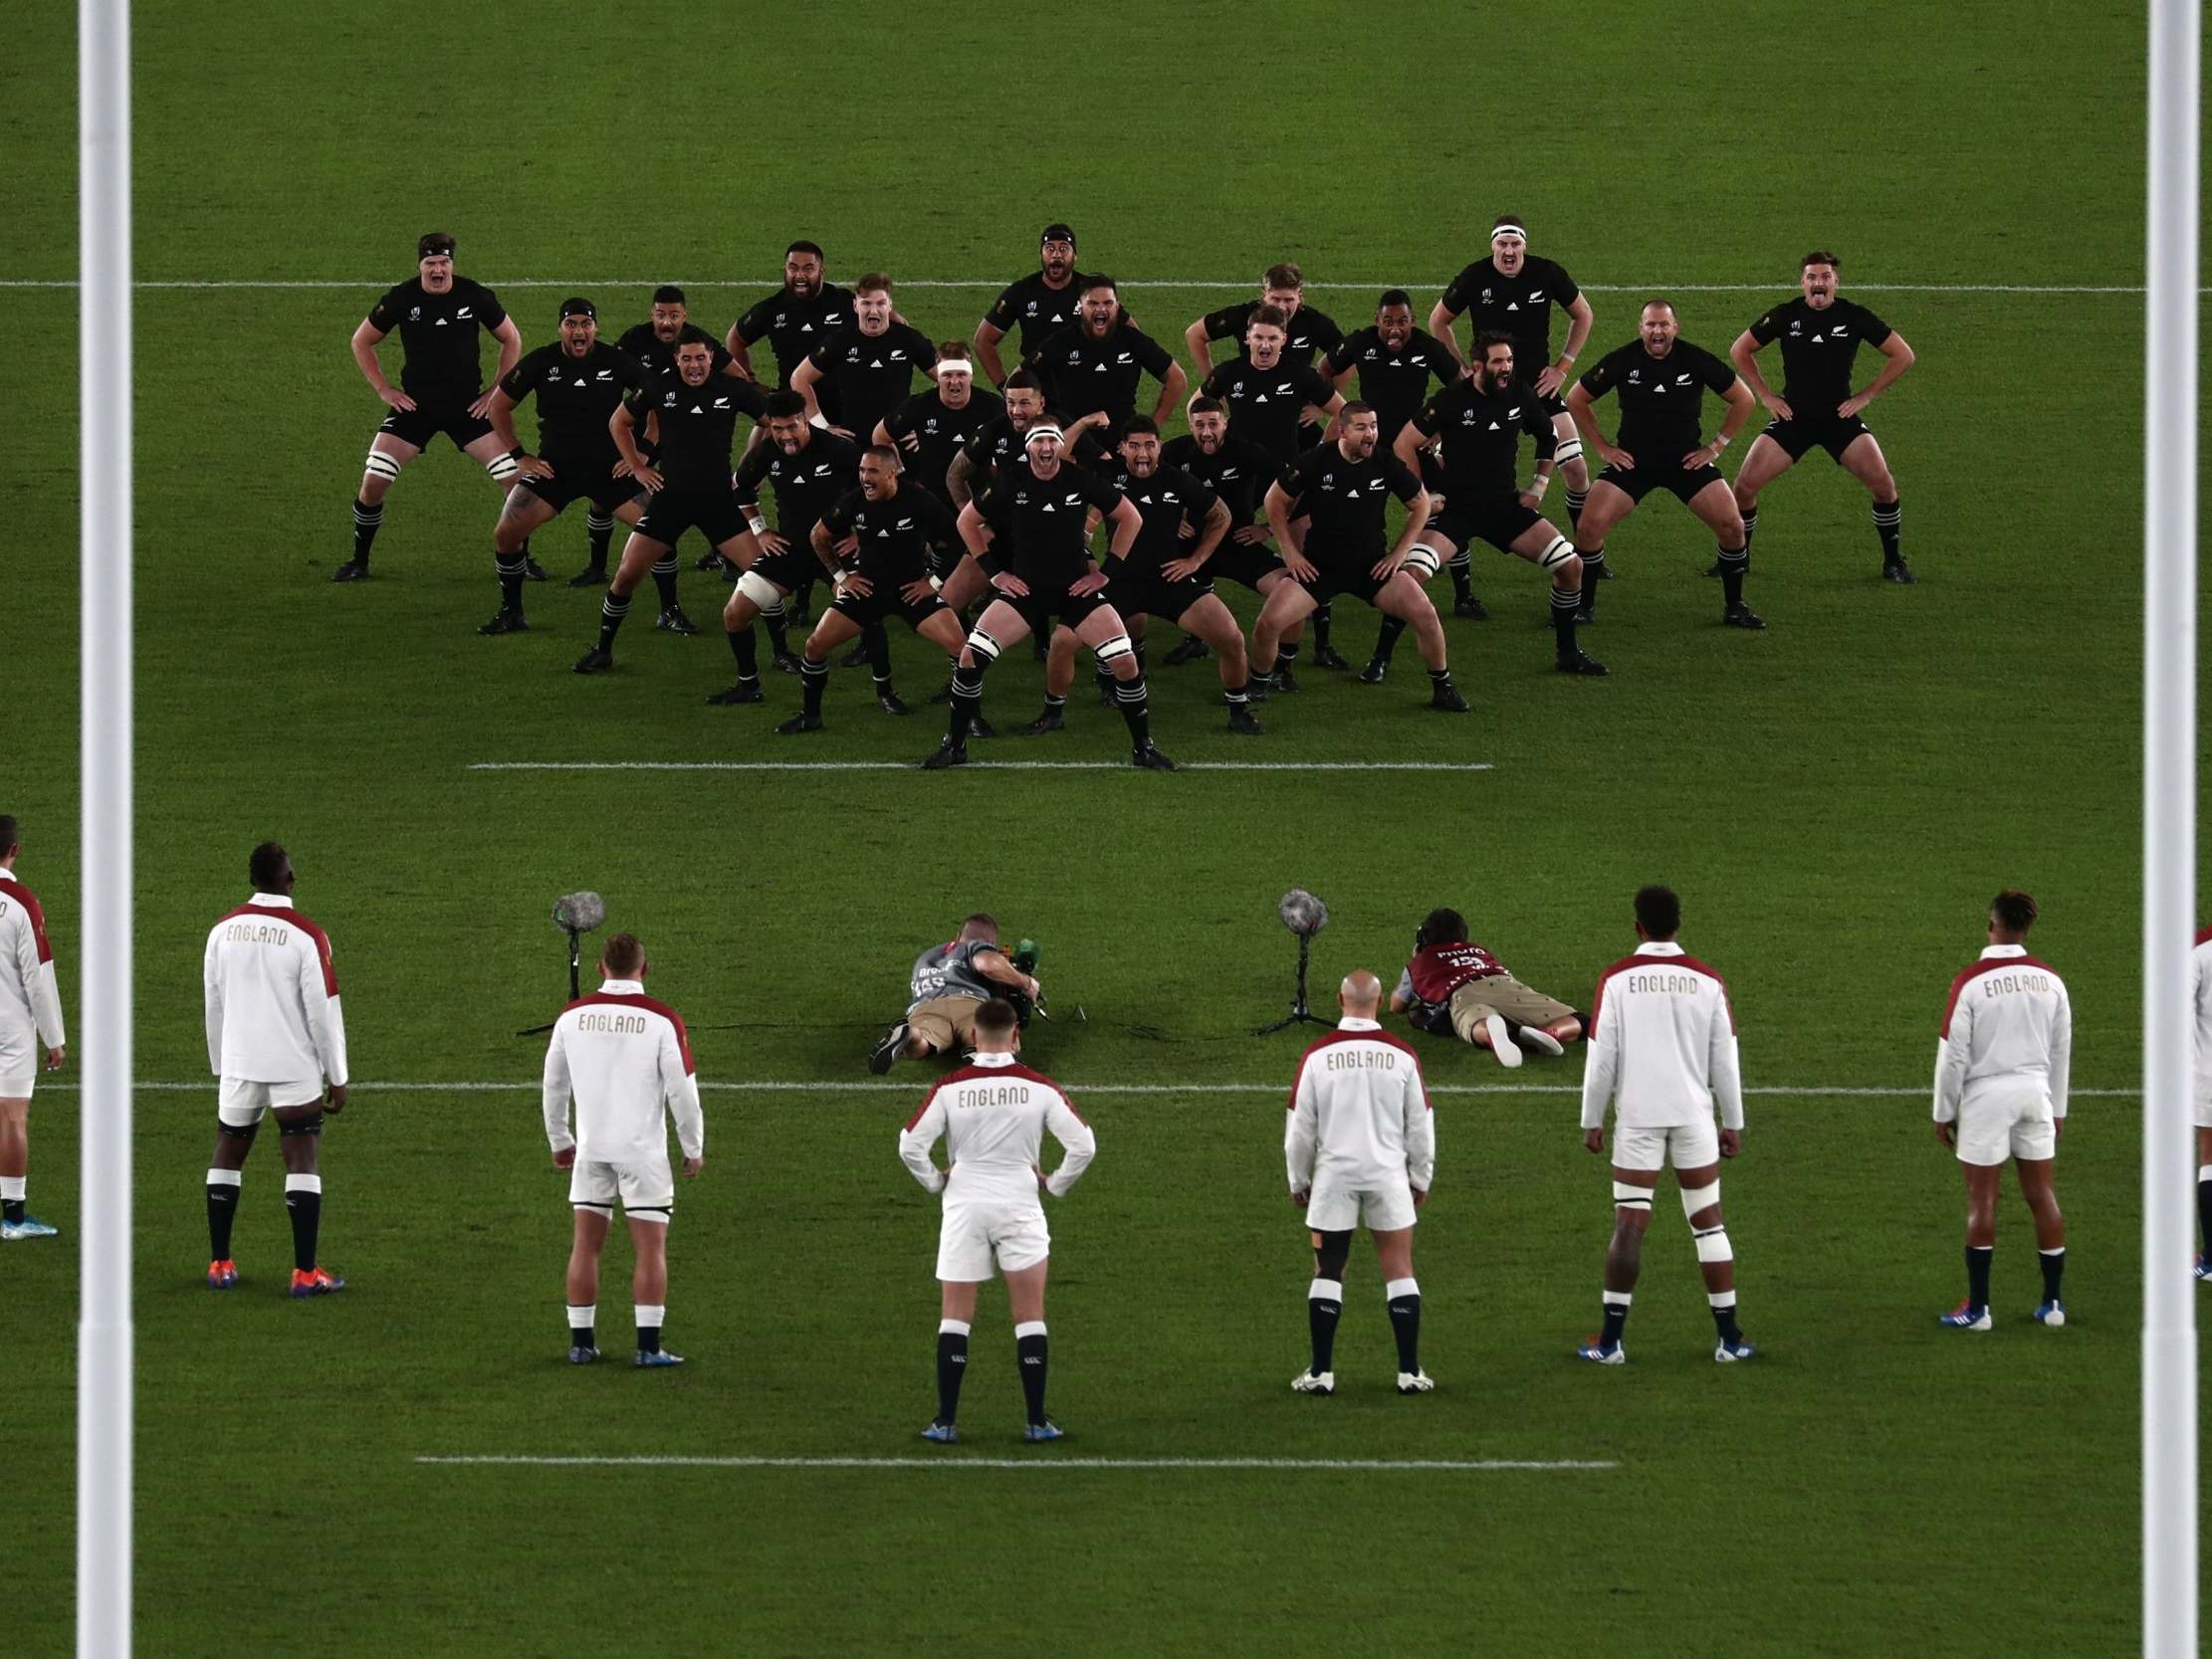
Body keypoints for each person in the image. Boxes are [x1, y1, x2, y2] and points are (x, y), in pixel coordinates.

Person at [898, 996, 1095, 1443]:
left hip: (964, 1204)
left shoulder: (949, 1087)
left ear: (972, 1036)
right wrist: (1056, 1184)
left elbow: (910, 1145)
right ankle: (1036, 1421)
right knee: (1029, 1316)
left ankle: (945, 1422)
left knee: (955, 1317)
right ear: (1016, 1036)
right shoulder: (1041, 1087)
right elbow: (1084, 1145)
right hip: (1019, 1203)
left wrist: (935, 1182)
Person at [923, 424, 1172, 772]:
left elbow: (1130, 516)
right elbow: (967, 522)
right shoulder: (1012, 479)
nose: (1045, 448)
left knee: (1125, 663)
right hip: (1025, 591)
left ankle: (1143, 749)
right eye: (1038, 441)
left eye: (1051, 441)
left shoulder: (1080, 478)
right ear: (1028, 448)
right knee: (970, 658)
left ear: (1060, 447)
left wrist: (1107, 573)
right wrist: (996, 573)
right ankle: (956, 746)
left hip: (1076, 591)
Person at [1577, 885, 1752, 1364]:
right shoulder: (1708, 981)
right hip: (1694, 1118)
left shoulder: (1616, 980)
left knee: (1629, 1226)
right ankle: (1730, 1339)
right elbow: (1726, 1058)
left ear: (1637, 926)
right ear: (1679, 924)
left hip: (1637, 1119)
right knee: (1708, 1223)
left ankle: (1611, 1343)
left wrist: (1592, 1120)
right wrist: (1731, 1121)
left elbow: (1601, 1058)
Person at [1376, 333, 1605, 678]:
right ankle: (1380, 659)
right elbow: (1405, 442)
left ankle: (1568, 653)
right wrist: (1422, 496)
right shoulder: (1452, 399)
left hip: (1504, 509)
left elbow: (1549, 436)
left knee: (1571, 566)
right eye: (1498, 362)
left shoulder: (1519, 394)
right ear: (1478, 366)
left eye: (1509, 361)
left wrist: (1539, 485)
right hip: (1456, 511)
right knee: (1410, 578)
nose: (1506, 368)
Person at [542, 931, 704, 1367]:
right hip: (643, 1155)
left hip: (592, 1150)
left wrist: (560, 1141)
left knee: (585, 1246)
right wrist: (693, 1147)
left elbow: (554, 1085)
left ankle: (581, 1344)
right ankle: (648, 1348)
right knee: (650, 1249)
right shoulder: (662, 1019)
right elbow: (682, 1093)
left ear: (600, 969)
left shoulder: (571, 1017)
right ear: (644, 969)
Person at [1039, 416, 1261, 735]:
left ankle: (1239, 712)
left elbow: (1220, 515)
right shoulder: (1107, 475)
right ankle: (1053, 714)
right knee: (1061, 642)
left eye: (1149, 445)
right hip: (1117, 583)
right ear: (1122, 449)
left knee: (1231, 638)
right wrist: (1086, 422)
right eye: (1134, 446)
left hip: (1168, 581)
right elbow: (1058, 458)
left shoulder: (1177, 480)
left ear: (1159, 446)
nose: (1142, 453)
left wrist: (1195, 561)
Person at [201, 842, 349, 1297]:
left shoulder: (222, 931)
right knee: (301, 1159)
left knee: (229, 1150)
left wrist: (220, 1065)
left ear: (252, 879)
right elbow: (323, 1011)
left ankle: (220, 1263)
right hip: (293, 1065)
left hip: (240, 1063)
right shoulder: (307, 936)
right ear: (289, 878)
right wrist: (337, 1075)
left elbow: (214, 1002)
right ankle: (305, 1273)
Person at [1250, 406, 1466, 715]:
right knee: (1268, 623)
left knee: (1426, 615)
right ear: (1342, 432)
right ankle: (1259, 683)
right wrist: (1290, 552)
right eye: (1362, 428)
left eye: (1374, 426)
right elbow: (1275, 499)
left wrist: (1399, 554)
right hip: (1319, 568)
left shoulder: (1384, 461)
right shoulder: (1317, 460)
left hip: (1371, 567)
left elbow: (1420, 504)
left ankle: (1442, 687)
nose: (1371, 435)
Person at [338, 231, 525, 582]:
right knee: (374, 481)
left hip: (469, 409)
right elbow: (361, 340)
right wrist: (384, 389)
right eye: (430, 264)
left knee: (515, 481)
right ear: (420, 265)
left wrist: (496, 392)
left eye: (443, 263)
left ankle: (522, 559)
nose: (437, 270)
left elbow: (511, 338)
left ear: (452, 263)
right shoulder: (402, 297)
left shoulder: (474, 295)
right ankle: (359, 561)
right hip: (415, 409)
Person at [1565, 301, 1762, 629]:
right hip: (1633, 462)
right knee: (1588, 526)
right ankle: (1583, 606)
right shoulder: (1623, 359)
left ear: (1675, 328)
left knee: (1732, 526)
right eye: (1651, 325)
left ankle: (1735, 606)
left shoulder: (1695, 359)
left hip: (1685, 462)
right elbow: (1576, 398)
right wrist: (1603, 448)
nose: (1657, 331)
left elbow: (1744, 399)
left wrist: (1716, 446)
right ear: (1641, 328)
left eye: (1664, 325)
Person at [1283, 969, 1436, 1396]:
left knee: (1328, 1270)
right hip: (1388, 1175)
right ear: (1379, 1000)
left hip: (1334, 1177)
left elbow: (1300, 1128)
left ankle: (1321, 1373)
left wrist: (1298, 1178)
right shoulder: (1403, 1055)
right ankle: (1408, 1372)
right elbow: (1420, 1125)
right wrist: (1421, 1175)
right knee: (1399, 1269)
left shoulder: (1317, 1055)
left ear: (1340, 999)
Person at [1727, 252, 1917, 582]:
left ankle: (1893, 562)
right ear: (1802, 282)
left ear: (1835, 282)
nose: (1819, 283)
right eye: (1812, 277)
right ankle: (1739, 559)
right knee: (1743, 487)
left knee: (1884, 486)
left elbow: (1903, 355)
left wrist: (1866, 395)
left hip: (1838, 418)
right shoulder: (1786, 315)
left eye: (1825, 277)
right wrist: (1766, 395)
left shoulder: (1854, 316)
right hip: (1794, 418)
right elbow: (1739, 349)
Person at [1932, 890, 2072, 1331]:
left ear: (1990, 925)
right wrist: (2058, 1108)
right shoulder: (2051, 981)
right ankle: (2053, 1305)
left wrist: (1943, 1110)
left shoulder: (1970, 982)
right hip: (2036, 1094)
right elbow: (2061, 1050)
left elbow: (1952, 1055)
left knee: (1982, 1200)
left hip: (1986, 1100)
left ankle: (1978, 1310)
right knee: (2043, 1197)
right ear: (2026, 928)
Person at [478, 299, 654, 635]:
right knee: (506, 533)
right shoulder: (542, 362)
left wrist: (641, 455)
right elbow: (497, 406)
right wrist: (520, 456)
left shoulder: (615, 360)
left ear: (595, 328)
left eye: (585, 324)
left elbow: (658, 399)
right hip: (556, 470)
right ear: (560, 328)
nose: (578, 331)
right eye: (571, 324)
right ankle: (512, 612)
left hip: (609, 471)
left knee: (661, 532)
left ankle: (669, 611)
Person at [572, 337, 748, 672]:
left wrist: (753, 469)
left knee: (763, 577)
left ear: (711, 358)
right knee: (625, 576)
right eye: (687, 359)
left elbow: (773, 423)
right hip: (670, 501)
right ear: (676, 360)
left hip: (718, 502)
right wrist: (638, 466)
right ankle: (603, 650)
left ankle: (781, 651)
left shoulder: (733, 389)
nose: (694, 366)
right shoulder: (658, 386)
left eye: (700, 358)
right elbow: (618, 422)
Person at [778, 446, 969, 732]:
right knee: (814, 646)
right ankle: (811, 716)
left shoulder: (920, 500)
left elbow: (958, 538)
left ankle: (970, 717)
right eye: (862, 471)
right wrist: (842, 577)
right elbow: (818, 535)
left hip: (910, 590)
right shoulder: (855, 501)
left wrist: (933, 582)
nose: (865, 478)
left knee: (961, 647)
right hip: (867, 589)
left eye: (873, 472)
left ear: (892, 473)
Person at [1430, 216, 1597, 532]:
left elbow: (1583, 314)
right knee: (1443, 469)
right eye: (1502, 244)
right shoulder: (1474, 276)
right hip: (1485, 390)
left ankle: (1585, 546)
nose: (1509, 251)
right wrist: (1462, 370)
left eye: (1515, 244)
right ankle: (1440, 541)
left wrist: (1563, 367)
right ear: (1493, 246)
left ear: (1524, 246)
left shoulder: (1547, 273)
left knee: (1576, 469)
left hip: (1537, 388)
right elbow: (1438, 321)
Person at [708, 392, 867, 706]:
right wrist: (761, 531)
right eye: (778, 429)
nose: (785, 436)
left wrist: (861, 535)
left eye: (792, 427)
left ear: (805, 421)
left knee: (862, 608)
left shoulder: (838, 449)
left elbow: (880, 490)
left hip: (835, 549)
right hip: (791, 549)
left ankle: (884, 690)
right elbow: (740, 488)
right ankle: (748, 685)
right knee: (735, 613)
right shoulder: (767, 452)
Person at [617, 284, 768, 584]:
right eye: (661, 314)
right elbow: (616, 397)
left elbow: (738, 377)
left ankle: (722, 550)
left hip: (690, 431)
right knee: (613, 489)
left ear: (684, 315)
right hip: (653, 430)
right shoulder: (636, 339)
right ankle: (610, 571)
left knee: (706, 486)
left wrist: (735, 394)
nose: (667, 322)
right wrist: (637, 462)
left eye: (674, 315)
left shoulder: (701, 342)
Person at [1326, 290, 1462, 593]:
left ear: (1413, 321)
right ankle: (1337, 567)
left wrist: (1439, 428)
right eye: (1387, 321)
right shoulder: (1361, 342)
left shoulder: (1427, 347)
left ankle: (1462, 591)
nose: (1395, 328)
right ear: (1377, 320)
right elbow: (1325, 369)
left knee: (1446, 507)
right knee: (1344, 501)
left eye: (1402, 321)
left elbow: (1460, 388)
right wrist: (1327, 405)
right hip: (1367, 443)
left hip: (1413, 445)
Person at [1390, 907, 1582, 1068]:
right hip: (1505, 985)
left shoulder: (1421, 961)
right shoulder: (1478, 950)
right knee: (1577, 1020)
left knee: (1473, 1022)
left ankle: (1491, 1032)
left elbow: (1397, 1006)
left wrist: (1417, 959)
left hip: (1464, 992)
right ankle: (1549, 1033)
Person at [871, 914, 1044, 1073]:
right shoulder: (975, 947)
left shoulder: (927, 957)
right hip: (969, 1004)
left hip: (925, 1007)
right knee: (994, 1032)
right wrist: (1026, 983)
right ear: (991, 942)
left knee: (922, 1044)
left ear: (958, 934)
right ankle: (980, 1050)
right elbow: (986, 964)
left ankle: (908, 1034)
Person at [0, 816, 65, 1241]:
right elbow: (38, 977)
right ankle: (14, 1219)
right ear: (14, 850)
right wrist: (54, 1039)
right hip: (11, 1029)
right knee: (11, 1118)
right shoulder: (22, 903)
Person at [1024, 275, 1187, 436]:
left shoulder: (1133, 340)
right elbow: (1020, 377)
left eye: (1108, 303)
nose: (1101, 309)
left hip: (1121, 444)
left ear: (1117, 307)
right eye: (1093, 303)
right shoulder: (1062, 341)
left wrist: (1150, 430)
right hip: (1075, 444)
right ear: (1080, 307)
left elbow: (1177, 380)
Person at [792, 273, 937, 445]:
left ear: (890, 305)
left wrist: (925, 425)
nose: (873, 310)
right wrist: (821, 426)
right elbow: (799, 378)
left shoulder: (909, 339)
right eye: (866, 303)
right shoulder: (840, 341)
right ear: (855, 306)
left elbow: (948, 377)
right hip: (853, 442)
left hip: (898, 440)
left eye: (880, 303)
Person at [1193, 306, 1344, 467]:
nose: (1265, 345)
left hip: (1283, 472)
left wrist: (1320, 452)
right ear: (1248, 337)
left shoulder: (1301, 375)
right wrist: (1210, 444)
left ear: (1284, 339)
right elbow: (1194, 406)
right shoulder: (1228, 372)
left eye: (1272, 338)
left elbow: (1343, 411)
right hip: (1237, 471)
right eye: (1258, 337)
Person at [877, 345, 1005, 518]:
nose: (954, 381)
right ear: (938, 376)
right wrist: (900, 477)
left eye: (961, 374)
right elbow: (880, 437)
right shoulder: (919, 405)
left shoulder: (994, 407)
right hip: (933, 502)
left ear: (970, 376)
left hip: (980, 502)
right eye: (947, 375)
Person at [974, 223, 1096, 387]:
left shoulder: (1092, 291)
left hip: (1083, 384)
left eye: (1064, 248)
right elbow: (983, 340)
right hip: (1037, 388)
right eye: (1050, 248)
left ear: (1075, 256)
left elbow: (1130, 334)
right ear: (1041, 254)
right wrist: (1005, 387)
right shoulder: (1022, 291)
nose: (1056, 255)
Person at [726, 240, 855, 393]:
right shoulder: (772, 308)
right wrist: (750, 382)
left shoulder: (845, 302)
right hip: (793, 408)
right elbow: (734, 339)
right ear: (785, 270)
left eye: (808, 269)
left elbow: (885, 319)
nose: (800, 275)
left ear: (821, 271)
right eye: (793, 268)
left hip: (841, 407)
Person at [1186, 261, 1345, 379]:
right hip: (1247, 403)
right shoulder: (1242, 316)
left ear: (1299, 297)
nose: (1282, 307)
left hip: (1294, 412)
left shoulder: (1314, 322)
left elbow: (1346, 357)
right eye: (1275, 299)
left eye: (1289, 300)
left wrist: (1320, 403)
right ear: (1264, 295)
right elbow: (1194, 334)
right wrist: (1213, 384)